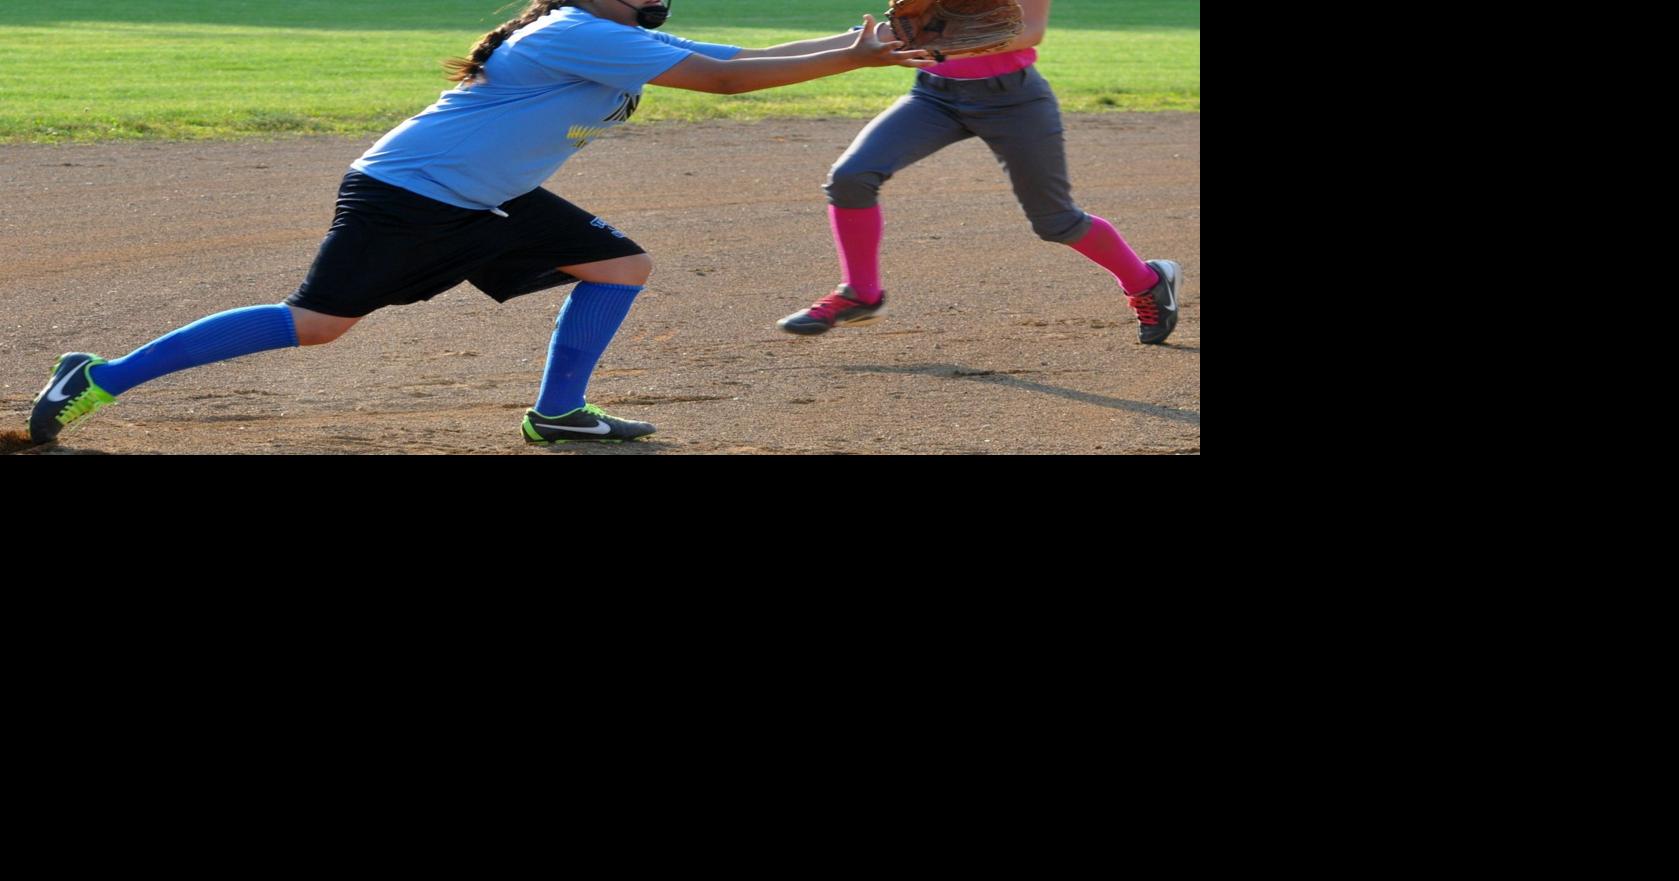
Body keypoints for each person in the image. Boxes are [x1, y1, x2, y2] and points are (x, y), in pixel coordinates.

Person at [28, 0, 930, 447]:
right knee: (318, 325)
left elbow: (731, 57)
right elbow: (730, 81)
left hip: (486, 193)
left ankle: (559, 413)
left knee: (619, 264)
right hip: (413, 191)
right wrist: (857, 56)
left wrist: (858, 47)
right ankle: (99, 375)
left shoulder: (618, 35)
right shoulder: (574, 28)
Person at [777, 0, 1182, 345]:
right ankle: (860, 293)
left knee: (1056, 222)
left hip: (1014, 101)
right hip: (933, 96)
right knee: (851, 177)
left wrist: (943, 40)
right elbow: (908, 23)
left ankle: (1147, 282)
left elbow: (1031, 32)